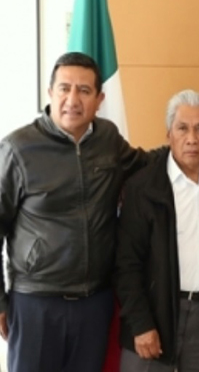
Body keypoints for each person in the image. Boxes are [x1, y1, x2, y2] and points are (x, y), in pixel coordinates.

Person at [0, 52, 149, 372]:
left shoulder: (108, 139)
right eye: (64, 88)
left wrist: (189, 148)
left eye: (84, 90)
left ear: (99, 99)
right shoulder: (18, 148)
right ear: (50, 92)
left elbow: (148, 168)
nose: (72, 99)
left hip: (94, 304)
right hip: (36, 302)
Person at [115, 90, 199, 372]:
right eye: (182, 128)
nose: (192, 139)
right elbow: (126, 264)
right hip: (154, 313)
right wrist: (140, 324)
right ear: (169, 135)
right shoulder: (143, 187)